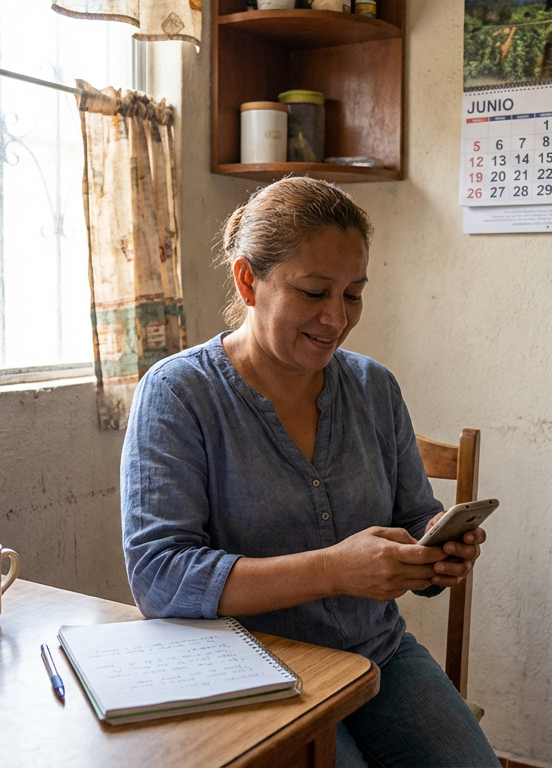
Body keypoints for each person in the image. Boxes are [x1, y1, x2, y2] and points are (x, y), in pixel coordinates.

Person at [120, 177, 498, 767]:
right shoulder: (177, 395)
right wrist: (332, 570)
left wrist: (435, 552)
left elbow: (414, 515)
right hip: (252, 666)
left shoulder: (374, 387)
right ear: (249, 280)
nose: (337, 318)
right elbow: (160, 577)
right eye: (314, 292)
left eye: (353, 294)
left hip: (377, 653)